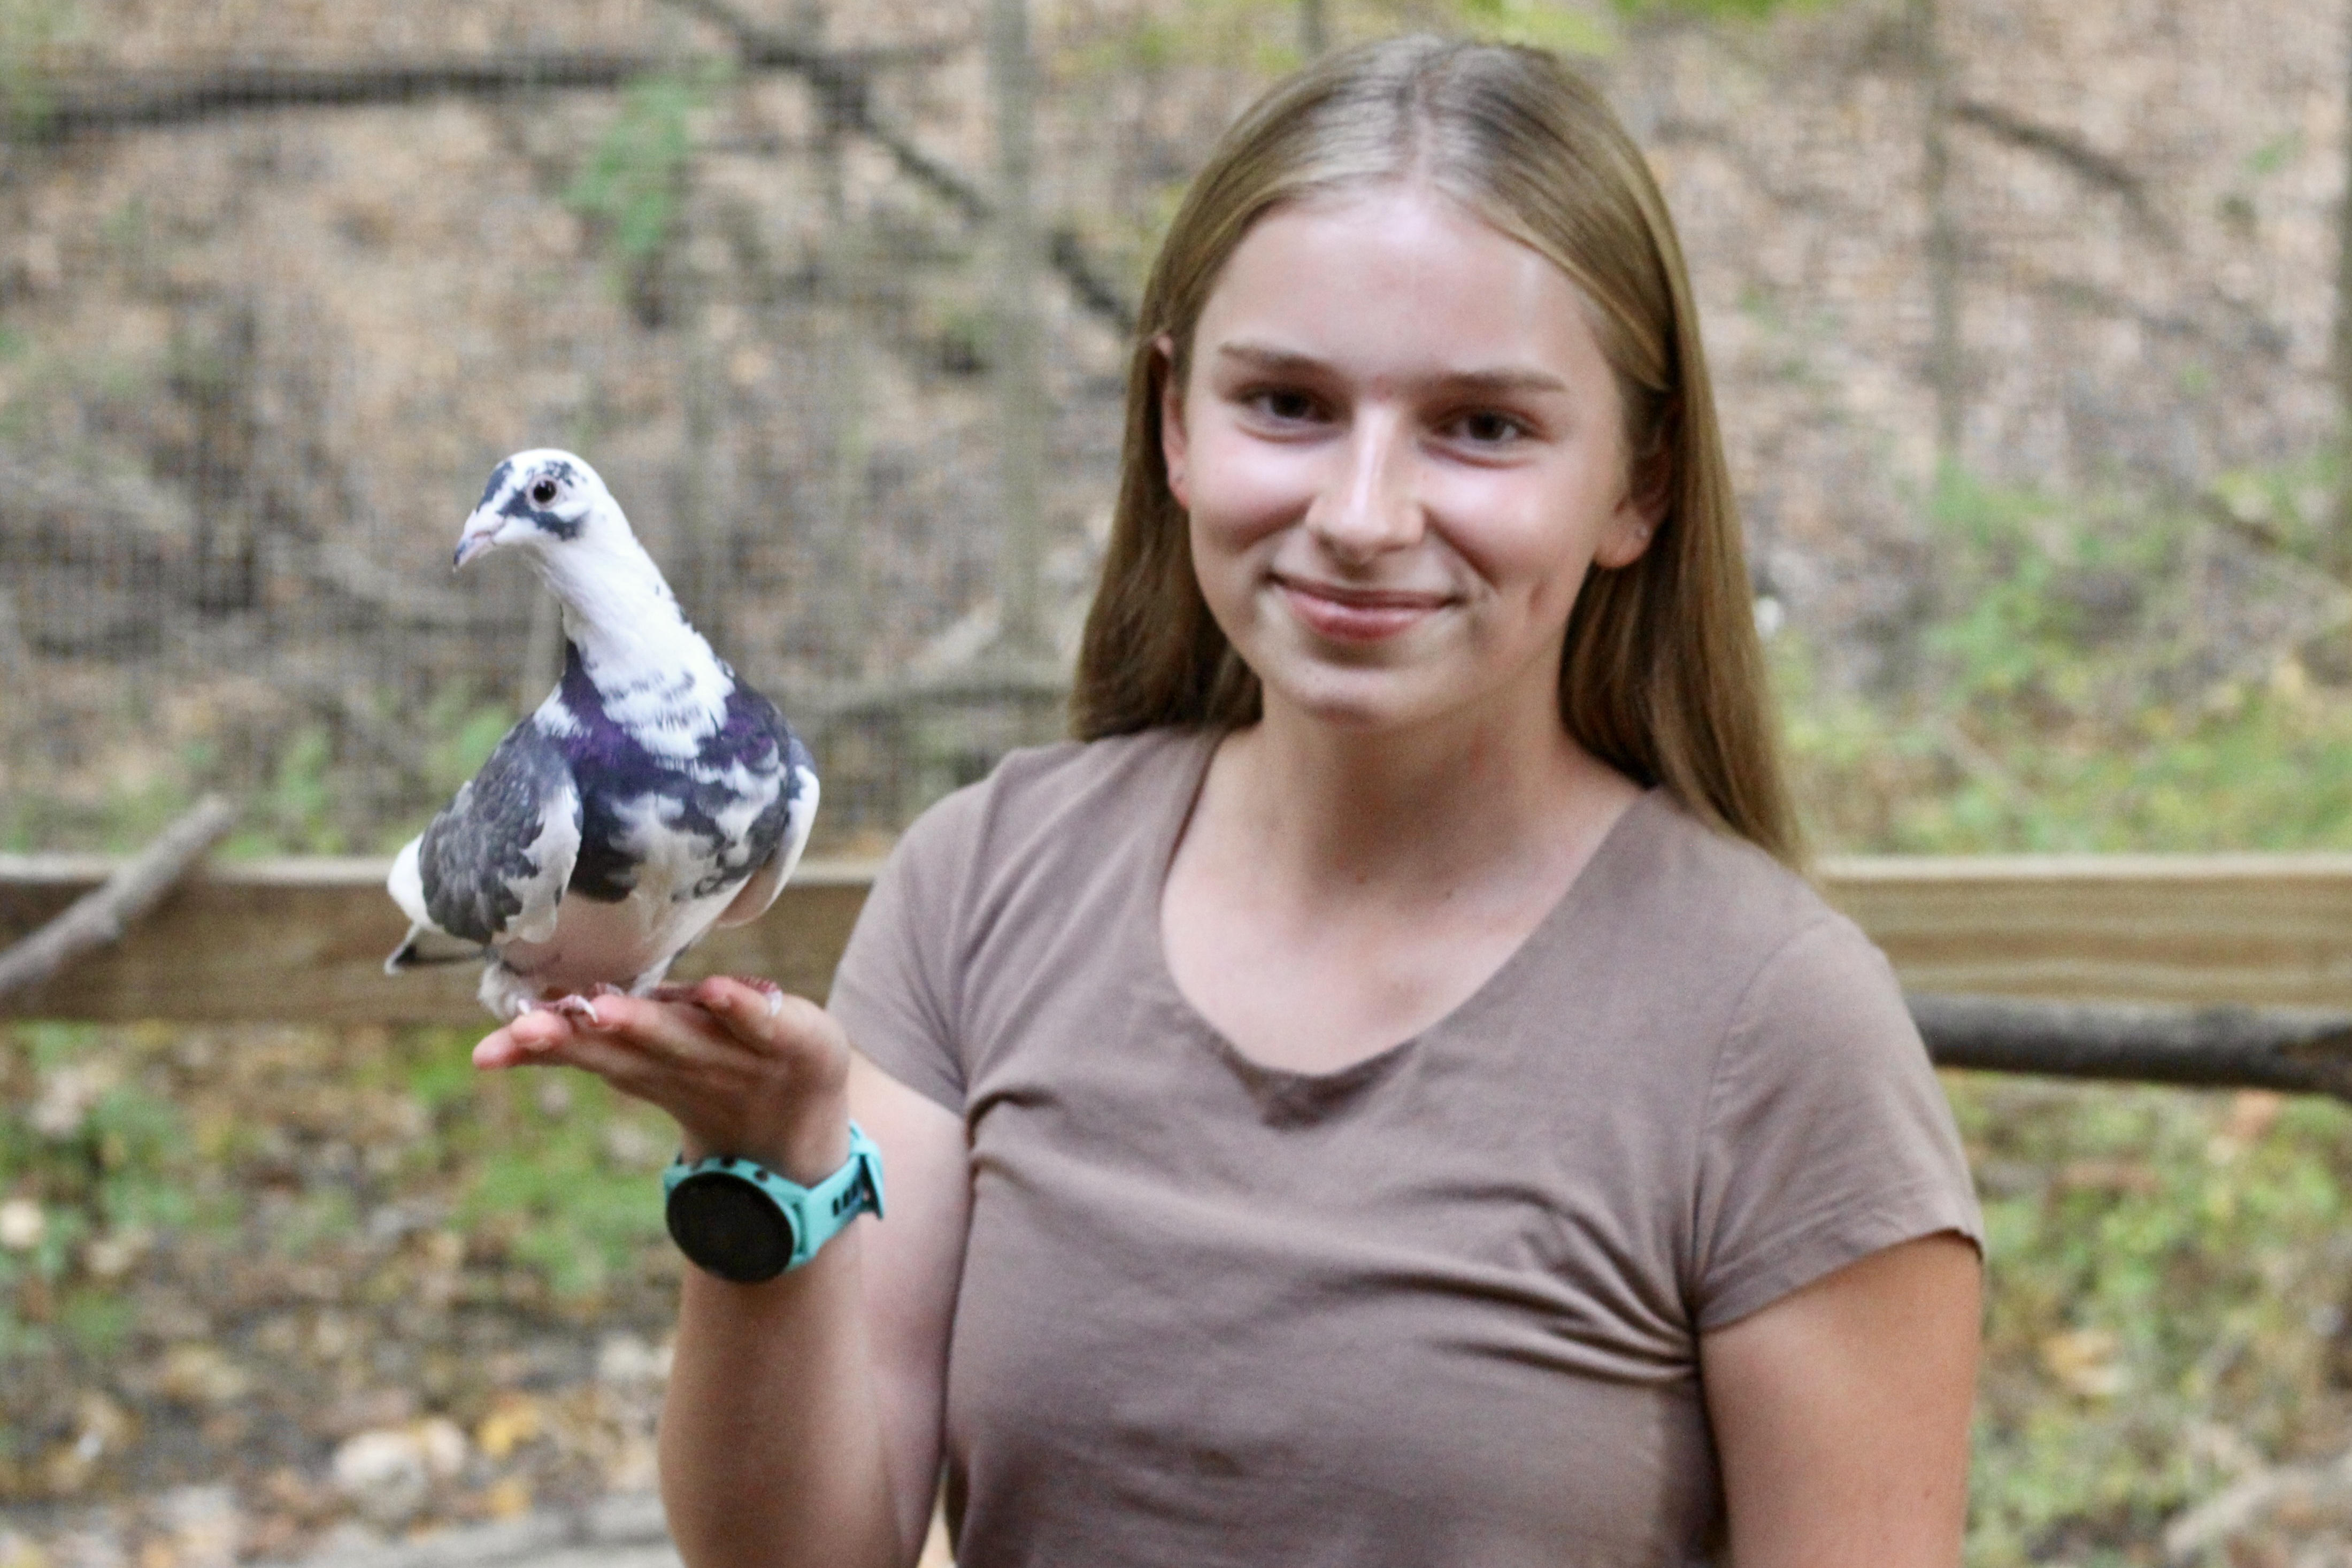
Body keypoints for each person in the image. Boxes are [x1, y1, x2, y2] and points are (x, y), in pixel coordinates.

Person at [472, 34, 1984, 1568]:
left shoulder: (1774, 1027)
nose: (1363, 513)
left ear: (1639, 488)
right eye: (1289, 404)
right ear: (1177, 423)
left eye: (1484, 426)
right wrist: (766, 1170)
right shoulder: (990, 885)